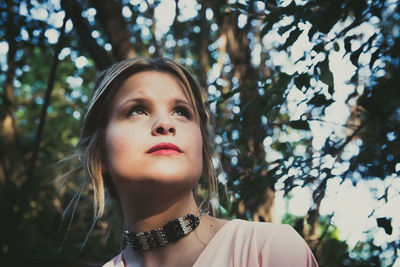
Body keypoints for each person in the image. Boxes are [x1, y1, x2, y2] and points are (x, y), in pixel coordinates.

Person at [75, 57, 318, 267]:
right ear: (100, 155)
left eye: (181, 112)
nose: (165, 124)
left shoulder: (269, 250)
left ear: (201, 147)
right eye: (137, 110)